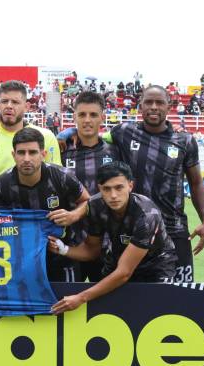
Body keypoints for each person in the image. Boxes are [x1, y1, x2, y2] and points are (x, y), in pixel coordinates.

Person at [104, 85, 204, 282]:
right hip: (132, 231)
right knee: (128, 298)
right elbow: (94, 138)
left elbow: (196, 183)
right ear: (140, 106)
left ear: (169, 107)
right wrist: (66, 136)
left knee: (180, 296)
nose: (154, 107)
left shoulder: (185, 141)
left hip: (174, 231)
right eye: (148, 102)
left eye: (159, 102)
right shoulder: (124, 132)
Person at [48, 162, 176, 314]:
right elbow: (91, 251)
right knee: (111, 313)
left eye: (119, 187)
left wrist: (81, 298)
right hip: (119, 260)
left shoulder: (147, 215)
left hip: (156, 267)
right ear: (99, 188)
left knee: (157, 314)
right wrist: (63, 249)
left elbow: (124, 272)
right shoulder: (95, 206)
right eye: (106, 189)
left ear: (130, 186)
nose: (113, 195)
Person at [0, 127, 89, 282]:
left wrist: (73, 215)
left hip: (61, 254)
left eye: (33, 152)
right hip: (21, 257)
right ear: (13, 155)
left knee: (67, 303)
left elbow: (87, 201)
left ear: (43, 154)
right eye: (21, 152)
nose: (26, 158)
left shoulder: (62, 177)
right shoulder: (1, 184)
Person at [58, 91, 116, 282]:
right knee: (69, 304)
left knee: (107, 306)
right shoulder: (62, 151)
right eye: (82, 114)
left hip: (108, 243)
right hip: (70, 243)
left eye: (93, 115)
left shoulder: (116, 152)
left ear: (102, 117)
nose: (87, 120)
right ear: (74, 116)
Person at [0, 80, 61, 185]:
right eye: (4, 101)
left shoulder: (46, 137)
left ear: (27, 107)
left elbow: (56, 178)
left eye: (15, 102)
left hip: (32, 200)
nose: (9, 106)